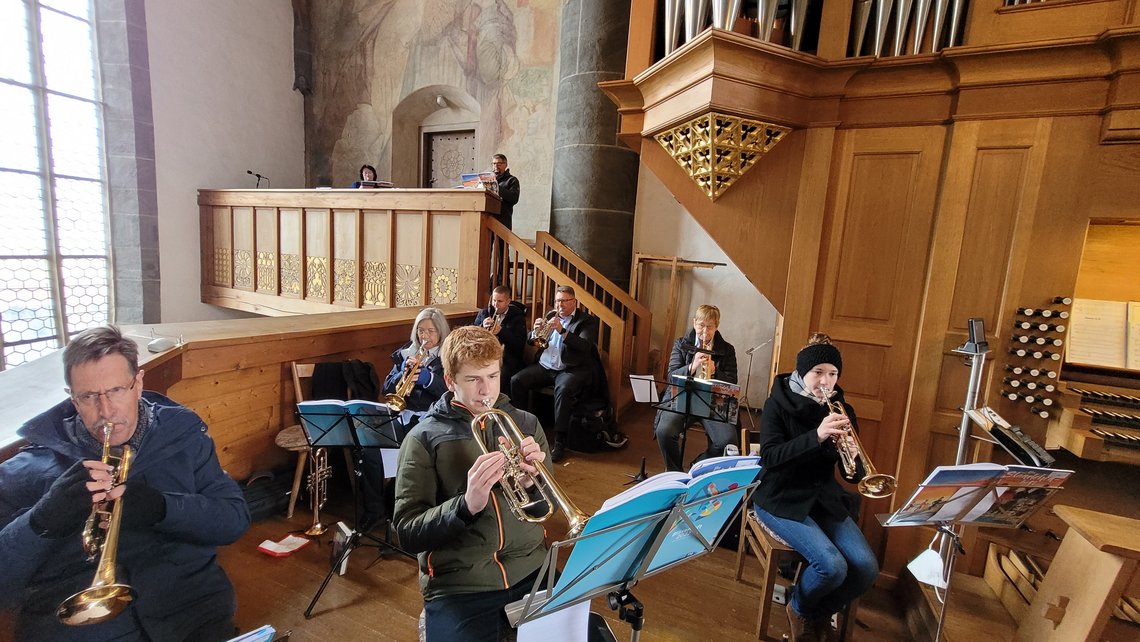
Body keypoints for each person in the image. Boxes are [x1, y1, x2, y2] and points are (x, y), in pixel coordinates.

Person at [0, 325, 250, 642]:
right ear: (73, 399)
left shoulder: (184, 433)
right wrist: (41, 520)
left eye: (116, 390)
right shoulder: (26, 469)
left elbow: (234, 521)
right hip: (87, 628)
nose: (106, 411)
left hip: (191, 610)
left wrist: (163, 508)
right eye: (89, 396)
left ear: (138, 384)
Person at [393, 325, 551, 641]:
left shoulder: (526, 424)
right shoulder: (422, 438)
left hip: (531, 568)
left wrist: (532, 485)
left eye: (492, 376)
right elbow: (408, 533)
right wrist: (465, 506)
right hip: (461, 583)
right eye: (473, 379)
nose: (486, 390)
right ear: (450, 381)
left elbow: (547, 509)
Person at [750, 333, 879, 642]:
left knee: (866, 568)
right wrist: (817, 436)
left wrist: (852, 454)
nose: (826, 381)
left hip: (822, 499)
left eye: (833, 373)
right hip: (780, 497)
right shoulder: (777, 403)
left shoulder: (842, 410)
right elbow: (770, 458)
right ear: (802, 371)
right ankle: (799, 608)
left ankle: (811, 610)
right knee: (832, 566)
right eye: (818, 372)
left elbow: (852, 476)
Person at [361, 307, 452, 531]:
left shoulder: (448, 356)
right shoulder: (406, 353)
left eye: (430, 331)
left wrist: (429, 379)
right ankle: (374, 511)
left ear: (441, 332)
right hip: (402, 416)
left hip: (432, 419)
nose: (424, 336)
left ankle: (402, 510)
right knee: (369, 450)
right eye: (421, 330)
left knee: (410, 453)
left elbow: (451, 392)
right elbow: (386, 389)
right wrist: (402, 372)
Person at [510, 285, 601, 463]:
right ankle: (523, 428)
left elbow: (585, 346)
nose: (560, 305)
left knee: (563, 390)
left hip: (570, 368)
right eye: (558, 301)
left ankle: (560, 441)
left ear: (574, 302)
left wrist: (562, 331)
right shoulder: (551, 315)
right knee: (516, 380)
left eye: (565, 301)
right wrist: (535, 331)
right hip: (545, 366)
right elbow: (531, 341)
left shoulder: (586, 321)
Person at [654, 304, 738, 471]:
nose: (704, 331)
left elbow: (732, 382)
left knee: (727, 441)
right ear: (694, 323)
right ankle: (675, 472)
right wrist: (692, 366)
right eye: (701, 325)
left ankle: (699, 466)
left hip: (713, 402)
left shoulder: (727, 350)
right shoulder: (681, 344)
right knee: (664, 431)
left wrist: (715, 372)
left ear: (717, 327)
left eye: (710, 327)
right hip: (681, 396)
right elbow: (671, 375)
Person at [472, 285, 527, 384]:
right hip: (484, 355)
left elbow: (518, 345)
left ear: (508, 301)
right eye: (494, 300)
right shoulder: (484, 313)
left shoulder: (518, 318)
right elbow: (472, 335)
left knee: (497, 377)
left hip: (507, 359)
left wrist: (501, 331)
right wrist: (482, 326)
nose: (496, 305)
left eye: (500, 301)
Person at [490, 154, 519, 230]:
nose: (496, 166)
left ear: (505, 165)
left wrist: (496, 186)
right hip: (487, 218)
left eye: (499, 164)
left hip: (502, 220)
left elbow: (514, 198)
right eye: (494, 163)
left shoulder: (512, 180)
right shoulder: (488, 179)